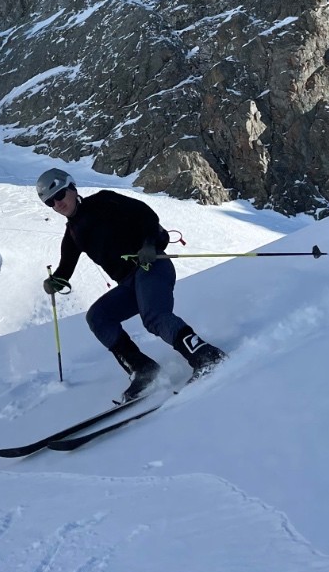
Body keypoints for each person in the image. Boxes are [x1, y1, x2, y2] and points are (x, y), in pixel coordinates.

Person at [37, 167, 226, 402]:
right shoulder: (72, 235)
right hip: (129, 284)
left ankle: (206, 356)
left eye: (60, 195)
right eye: (50, 203)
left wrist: (148, 244)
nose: (57, 204)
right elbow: (65, 270)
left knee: (154, 317)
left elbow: (145, 215)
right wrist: (54, 282)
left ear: (72, 188)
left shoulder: (104, 201)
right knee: (98, 317)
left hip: (152, 267)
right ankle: (144, 370)